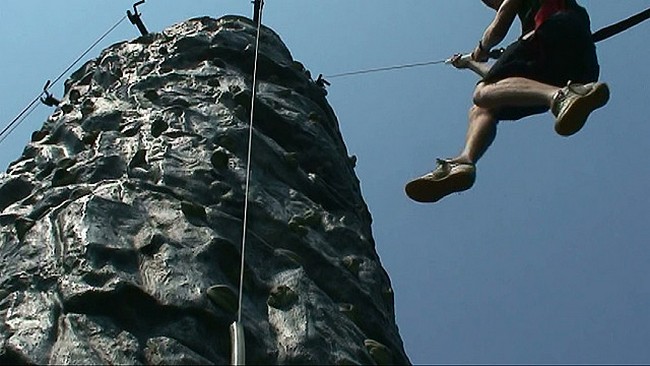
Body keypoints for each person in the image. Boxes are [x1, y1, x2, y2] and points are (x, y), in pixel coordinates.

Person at [405, 0, 610, 203]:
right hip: (579, 70)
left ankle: (561, 96)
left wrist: (482, 48)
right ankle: (464, 161)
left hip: (556, 29)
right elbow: (499, 82)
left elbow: (500, 24)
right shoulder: (533, 25)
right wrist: (470, 63)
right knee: (485, 105)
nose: (492, 6)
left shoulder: (536, 18)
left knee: (481, 93)